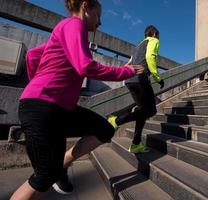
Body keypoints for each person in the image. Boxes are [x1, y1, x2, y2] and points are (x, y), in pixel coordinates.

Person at [10, 0, 144, 199]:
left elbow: (32, 55)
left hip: (58, 108)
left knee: (105, 129)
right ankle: (57, 171)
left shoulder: (65, 32)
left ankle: (62, 166)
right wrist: (125, 71)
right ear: (85, 7)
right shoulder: (74, 25)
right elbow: (85, 67)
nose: (100, 23)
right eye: (98, 15)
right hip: (44, 107)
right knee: (44, 177)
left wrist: (36, 83)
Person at [108, 25, 164, 153]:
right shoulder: (154, 40)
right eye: (158, 35)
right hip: (140, 79)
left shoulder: (138, 45)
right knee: (151, 111)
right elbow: (150, 57)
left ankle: (136, 144)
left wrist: (122, 74)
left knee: (142, 111)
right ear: (154, 33)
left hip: (129, 80)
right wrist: (157, 77)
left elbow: (128, 63)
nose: (158, 37)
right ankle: (116, 120)